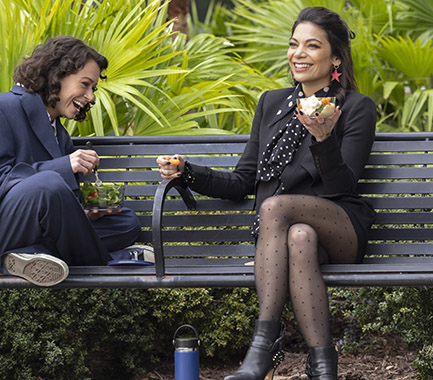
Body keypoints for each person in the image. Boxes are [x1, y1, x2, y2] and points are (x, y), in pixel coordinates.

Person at [157, 7, 376, 380]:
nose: (299, 54)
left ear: (335, 57)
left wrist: (324, 140)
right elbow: (244, 181)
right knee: (299, 236)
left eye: (312, 45)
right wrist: (187, 172)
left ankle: (262, 349)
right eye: (293, 45)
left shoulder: (354, 108)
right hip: (289, 235)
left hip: (341, 225)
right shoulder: (272, 104)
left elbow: (344, 186)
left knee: (275, 209)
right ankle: (323, 367)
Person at [0, 36, 151, 287]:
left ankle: (29, 256)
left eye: (93, 88)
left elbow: (56, 206)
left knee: (126, 222)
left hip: (30, 232)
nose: (90, 97)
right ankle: (112, 260)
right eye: (85, 84)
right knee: (49, 183)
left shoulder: (60, 134)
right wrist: (62, 167)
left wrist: (86, 213)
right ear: (57, 75)